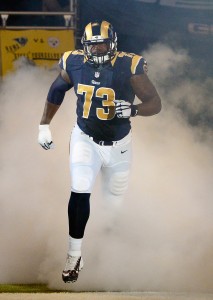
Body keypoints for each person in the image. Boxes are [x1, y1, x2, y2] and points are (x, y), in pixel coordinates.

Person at [38, 20, 162, 283]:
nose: (98, 50)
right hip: (86, 139)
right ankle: (74, 256)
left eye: (102, 44)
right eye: (93, 46)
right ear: (85, 47)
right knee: (80, 189)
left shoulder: (129, 65)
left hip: (120, 146)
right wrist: (44, 124)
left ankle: (109, 257)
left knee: (113, 207)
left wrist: (135, 110)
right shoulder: (73, 62)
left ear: (113, 43)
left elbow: (155, 102)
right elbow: (57, 90)